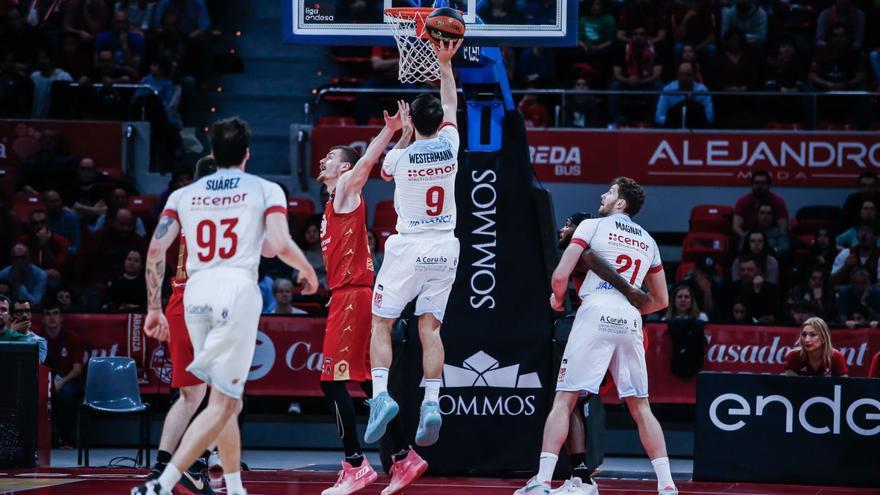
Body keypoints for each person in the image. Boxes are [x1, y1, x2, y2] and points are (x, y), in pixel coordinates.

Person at [132, 117, 318, 495]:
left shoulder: (184, 195)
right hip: (235, 292)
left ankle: (234, 487)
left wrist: (153, 307)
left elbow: (154, 250)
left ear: (212, 153)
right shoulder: (265, 189)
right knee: (220, 402)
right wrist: (308, 273)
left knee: (224, 396)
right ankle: (162, 482)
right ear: (248, 153)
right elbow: (279, 245)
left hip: (194, 294)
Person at [516, 177, 674, 495]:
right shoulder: (649, 241)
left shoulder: (592, 226)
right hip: (630, 319)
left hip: (595, 312)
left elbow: (560, 275)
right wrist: (628, 308)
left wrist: (557, 301)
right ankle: (668, 486)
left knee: (564, 400)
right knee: (641, 406)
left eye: (611, 192)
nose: (603, 195)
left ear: (621, 203)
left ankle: (543, 481)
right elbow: (661, 302)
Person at [316, 101, 429, 495]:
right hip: (350, 297)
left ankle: (354, 464)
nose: (323, 160)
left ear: (343, 169)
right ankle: (405, 457)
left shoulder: (346, 190)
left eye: (331, 157)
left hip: (353, 298)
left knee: (332, 382)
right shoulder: (331, 203)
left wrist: (392, 131)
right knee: (367, 384)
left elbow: (365, 164)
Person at [366, 41, 462, 454]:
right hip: (445, 248)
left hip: (408, 248)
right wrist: (444, 65)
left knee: (381, 324)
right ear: (439, 124)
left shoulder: (399, 159)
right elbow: (452, 104)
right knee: (429, 328)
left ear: (415, 123)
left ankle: (382, 396)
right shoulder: (451, 146)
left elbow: (384, 171)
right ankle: (431, 402)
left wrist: (403, 134)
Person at [145, 155, 217, 495]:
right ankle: (200, 464)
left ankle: (163, 466)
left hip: (179, 299)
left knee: (190, 394)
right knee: (222, 393)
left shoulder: (181, 202)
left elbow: (156, 250)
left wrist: (153, 308)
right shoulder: (235, 205)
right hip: (213, 301)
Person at [39, 302, 84, 447]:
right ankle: (41, 440)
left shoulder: (72, 338)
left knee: (67, 394)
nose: (51, 317)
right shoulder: (37, 339)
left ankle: (67, 440)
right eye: (47, 314)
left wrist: (61, 382)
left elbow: (77, 369)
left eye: (55, 313)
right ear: (42, 318)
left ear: (61, 318)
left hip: (66, 380)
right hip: (43, 381)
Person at [783, 317, 848, 377]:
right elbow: (788, 386)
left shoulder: (836, 357)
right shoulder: (794, 356)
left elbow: (844, 386)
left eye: (813, 335)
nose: (806, 340)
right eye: (804, 335)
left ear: (823, 338)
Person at [654, 62, 713, 128]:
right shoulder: (668, 90)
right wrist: (674, 122)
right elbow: (659, 117)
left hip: (696, 130)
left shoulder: (702, 91)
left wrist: (690, 123)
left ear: (694, 76)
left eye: (687, 75)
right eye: (681, 74)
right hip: (673, 130)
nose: (684, 78)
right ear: (677, 75)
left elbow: (709, 118)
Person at [733, 171, 788, 240]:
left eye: (763, 183)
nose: (760, 186)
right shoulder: (743, 201)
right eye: (757, 183)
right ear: (752, 185)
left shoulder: (778, 201)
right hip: (748, 237)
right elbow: (736, 226)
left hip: (772, 238)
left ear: (769, 185)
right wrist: (747, 238)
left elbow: (783, 228)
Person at [831, 222, 880, 286]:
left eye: (868, 231)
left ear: (875, 237)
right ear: (856, 235)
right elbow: (831, 280)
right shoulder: (846, 253)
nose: (863, 234)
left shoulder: (878, 254)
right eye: (861, 230)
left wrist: (864, 289)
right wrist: (845, 267)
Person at [10, 298, 47, 363]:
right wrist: (11, 332)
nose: (24, 315)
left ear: (31, 314)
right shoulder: (7, 335)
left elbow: (34, 365)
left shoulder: (39, 341)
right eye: (19, 311)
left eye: (27, 311)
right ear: (12, 316)